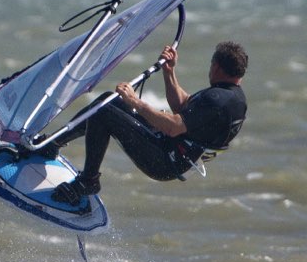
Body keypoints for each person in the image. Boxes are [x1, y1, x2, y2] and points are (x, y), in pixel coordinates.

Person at [48, 41, 248, 211]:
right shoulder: (233, 97)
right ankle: (54, 143)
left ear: (217, 67)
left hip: (164, 161)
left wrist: (135, 101)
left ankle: (88, 181)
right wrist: (169, 72)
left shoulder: (217, 99)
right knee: (110, 100)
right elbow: (182, 106)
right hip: (170, 148)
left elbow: (174, 126)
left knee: (104, 112)